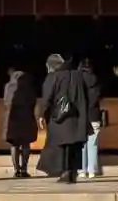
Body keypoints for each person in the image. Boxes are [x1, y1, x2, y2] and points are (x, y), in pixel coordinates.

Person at [35, 54, 93, 184]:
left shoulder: (53, 77)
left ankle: (64, 172)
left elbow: (46, 98)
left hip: (60, 119)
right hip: (77, 118)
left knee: (61, 146)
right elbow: (87, 95)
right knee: (74, 146)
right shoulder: (78, 76)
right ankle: (72, 173)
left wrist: (41, 115)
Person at [2, 63, 40, 178]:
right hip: (26, 118)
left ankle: (16, 170)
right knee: (26, 144)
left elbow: (6, 102)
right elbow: (33, 102)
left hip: (12, 119)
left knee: (14, 145)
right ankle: (24, 169)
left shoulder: (8, 86)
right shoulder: (29, 87)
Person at [78, 58, 105, 179]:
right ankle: (92, 171)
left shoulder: (77, 82)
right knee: (93, 144)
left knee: (81, 145)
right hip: (94, 115)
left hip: (81, 116)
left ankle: (81, 170)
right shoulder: (97, 81)